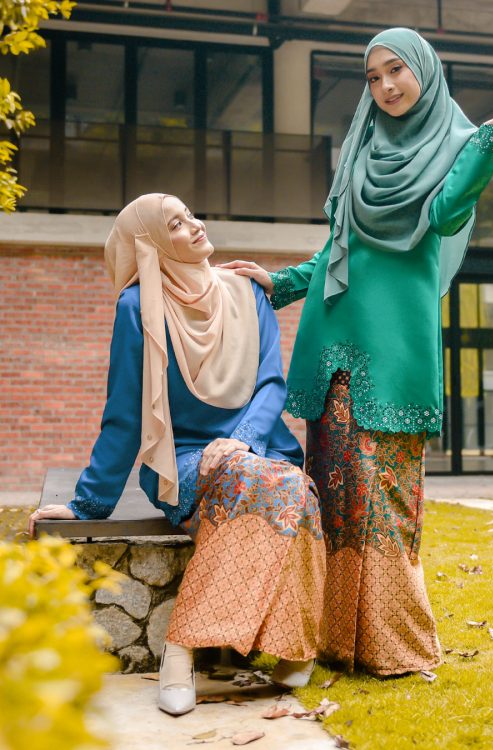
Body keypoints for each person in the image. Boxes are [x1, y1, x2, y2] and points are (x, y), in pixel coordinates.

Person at [220, 28, 493, 677]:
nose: (386, 86)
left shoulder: (456, 146)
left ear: (424, 69)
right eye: (373, 77)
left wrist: (488, 141)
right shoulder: (361, 151)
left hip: (395, 355)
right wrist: (279, 283)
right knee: (332, 501)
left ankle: (396, 646)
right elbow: (336, 249)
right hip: (331, 348)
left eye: (396, 70)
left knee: (386, 501)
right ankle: (331, 642)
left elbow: (446, 214)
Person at [29, 193, 326, 714]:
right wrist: (87, 505)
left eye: (190, 215)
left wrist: (242, 439)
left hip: (256, 447)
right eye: (175, 224)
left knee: (288, 485)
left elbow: (270, 384)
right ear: (152, 244)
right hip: (180, 459)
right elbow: (125, 411)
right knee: (264, 482)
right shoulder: (137, 308)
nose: (194, 225)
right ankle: (194, 649)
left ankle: (197, 647)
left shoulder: (247, 292)